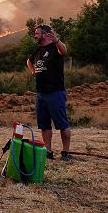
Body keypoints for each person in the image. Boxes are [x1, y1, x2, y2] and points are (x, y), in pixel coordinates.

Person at [26, 24, 71, 161]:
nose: (35, 36)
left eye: (37, 33)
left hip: (55, 92)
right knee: (44, 125)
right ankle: (48, 152)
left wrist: (56, 40)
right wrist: (33, 71)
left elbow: (64, 51)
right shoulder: (38, 50)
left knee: (62, 124)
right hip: (41, 93)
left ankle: (65, 152)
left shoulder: (55, 47)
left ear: (45, 34)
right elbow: (29, 61)